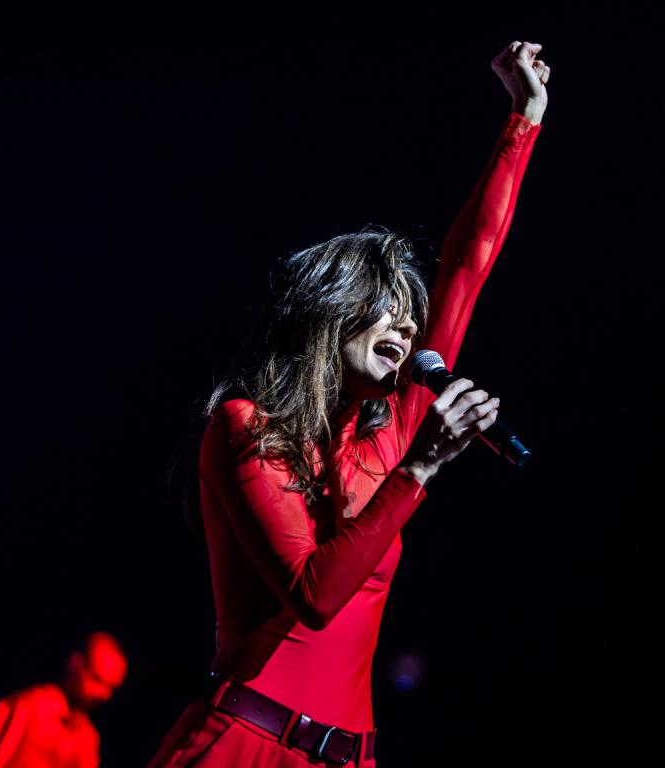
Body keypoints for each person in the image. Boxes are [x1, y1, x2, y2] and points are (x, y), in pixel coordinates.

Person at [149, 40, 550, 768]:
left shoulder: (385, 436)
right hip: (245, 745)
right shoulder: (247, 427)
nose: (409, 329)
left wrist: (525, 117)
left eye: (413, 318)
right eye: (388, 308)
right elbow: (313, 595)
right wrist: (420, 469)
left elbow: (468, 265)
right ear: (330, 313)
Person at [0, 631, 128, 768]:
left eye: (111, 688)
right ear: (76, 663)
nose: (103, 694)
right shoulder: (29, 706)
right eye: (96, 679)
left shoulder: (88, 738)